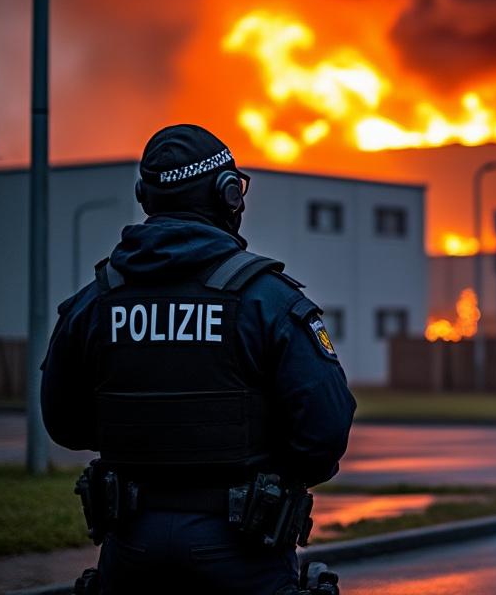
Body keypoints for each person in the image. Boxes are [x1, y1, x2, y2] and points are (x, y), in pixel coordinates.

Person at [41, 124, 356, 595]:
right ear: (228, 195)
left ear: (144, 195)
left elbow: (64, 424)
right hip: (244, 551)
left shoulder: (93, 303)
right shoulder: (267, 301)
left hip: (130, 548)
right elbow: (325, 432)